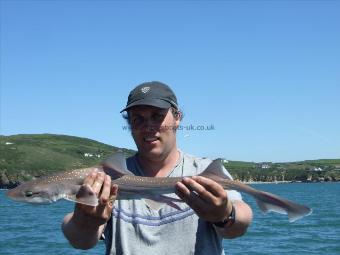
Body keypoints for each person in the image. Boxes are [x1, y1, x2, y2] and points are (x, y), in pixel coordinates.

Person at [62, 81, 253, 255]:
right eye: (138, 119)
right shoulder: (108, 178)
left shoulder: (205, 170)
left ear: (177, 117)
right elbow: (81, 241)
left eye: (157, 116)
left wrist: (224, 216)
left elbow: (241, 222)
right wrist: (85, 221)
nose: (148, 126)